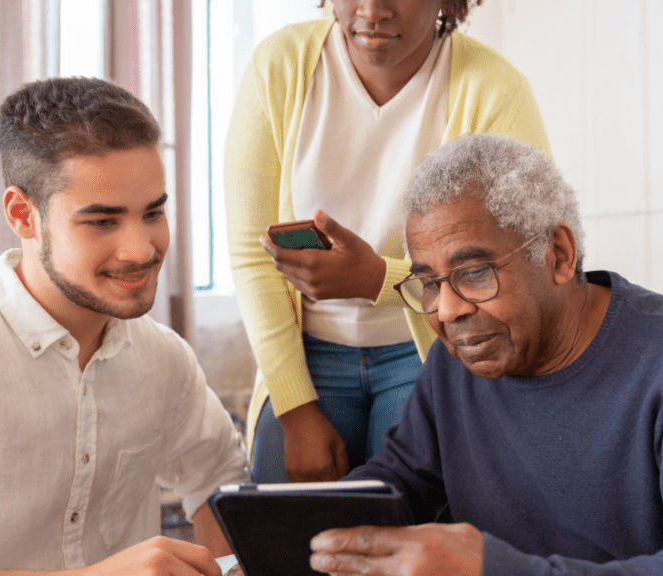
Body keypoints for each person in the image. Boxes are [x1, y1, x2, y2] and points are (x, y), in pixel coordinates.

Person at [306, 133, 663, 576]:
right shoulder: (456, 362)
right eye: (430, 283)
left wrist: (497, 570)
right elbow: (397, 482)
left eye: (474, 272)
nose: (448, 310)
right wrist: (288, 537)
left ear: (558, 255)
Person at [0, 77, 249, 575]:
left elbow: (218, 482)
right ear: (23, 214)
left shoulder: (164, 359)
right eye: (102, 221)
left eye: (153, 212)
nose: (141, 249)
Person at [224, 0, 551, 483]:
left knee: (409, 532)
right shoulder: (281, 66)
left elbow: (521, 264)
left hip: (427, 350)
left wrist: (377, 279)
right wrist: (295, 411)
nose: (372, 10)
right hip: (305, 354)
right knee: (282, 536)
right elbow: (252, 253)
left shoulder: (495, 88)